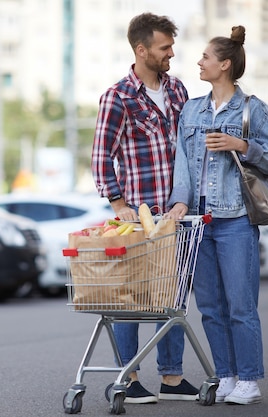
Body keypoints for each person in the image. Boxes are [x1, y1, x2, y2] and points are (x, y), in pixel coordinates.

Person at [166, 25, 268, 405]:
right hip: (198, 223)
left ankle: (249, 379)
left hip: (235, 220)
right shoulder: (192, 109)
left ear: (225, 64)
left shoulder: (254, 110)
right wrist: (180, 202)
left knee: (240, 305)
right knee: (211, 308)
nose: (199, 62)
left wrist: (241, 145)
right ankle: (227, 375)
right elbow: (181, 162)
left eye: (205, 57)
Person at [91, 12, 199, 404]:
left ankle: (172, 379)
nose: (172, 53)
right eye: (164, 47)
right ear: (142, 50)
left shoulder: (178, 91)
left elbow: (188, 149)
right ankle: (129, 377)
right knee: (132, 299)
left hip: (177, 215)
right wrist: (118, 202)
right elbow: (101, 156)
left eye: (172, 45)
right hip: (139, 217)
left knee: (172, 297)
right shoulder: (118, 96)